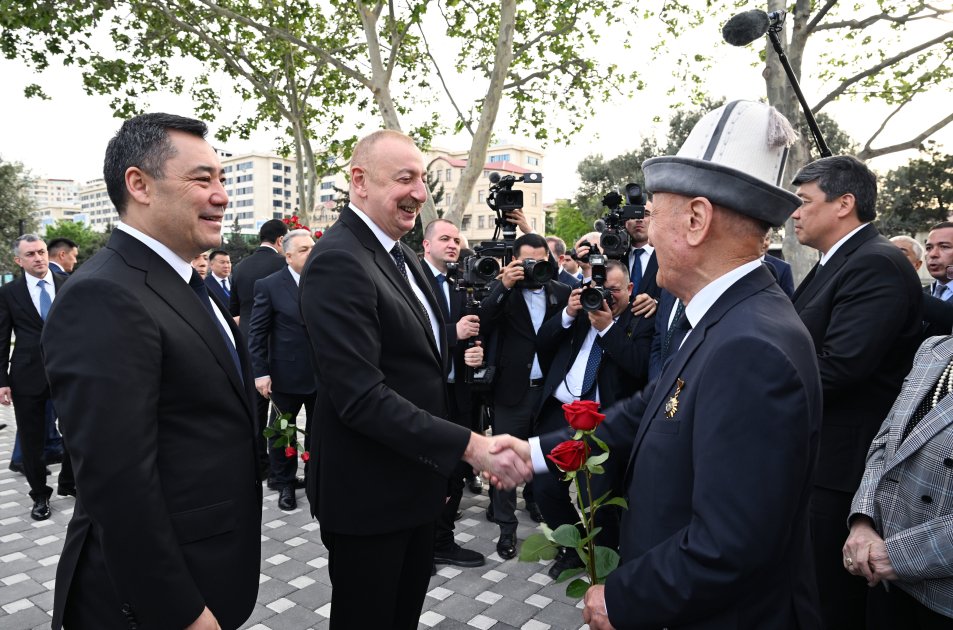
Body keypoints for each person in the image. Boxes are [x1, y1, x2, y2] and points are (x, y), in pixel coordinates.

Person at [492, 100, 822, 628]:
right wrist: (535, 452)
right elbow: (650, 406)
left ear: (696, 219)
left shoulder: (752, 346)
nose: (643, 228)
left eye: (653, 211)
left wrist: (625, 597)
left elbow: (730, 543)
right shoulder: (726, 318)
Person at [298, 129, 531, 629]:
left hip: (415, 484)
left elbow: (417, 363)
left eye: (423, 179)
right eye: (405, 178)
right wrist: (470, 447)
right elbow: (361, 397)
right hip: (369, 496)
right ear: (359, 181)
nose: (420, 193)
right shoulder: (339, 260)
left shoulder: (400, 254)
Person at [41, 113, 261, 630]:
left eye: (222, 179)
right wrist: (183, 614)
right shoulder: (105, 294)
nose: (222, 195)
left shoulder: (182, 279)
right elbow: (117, 485)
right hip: (149, 605)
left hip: (207, 571)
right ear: (138, 184)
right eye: (202, 179)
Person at [791, 154, 923, 629]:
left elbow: (840, 368)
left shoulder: (876, 263)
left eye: (805, 201)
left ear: (844, 203)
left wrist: (757, 389)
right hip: (818, 454)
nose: (795, 212)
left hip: (842, 468)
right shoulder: (838, 260)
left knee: (831, 603)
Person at [533, 258, 655, 579]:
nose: (605, 297)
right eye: (598, 290)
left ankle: (605, 561)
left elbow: (638, 366)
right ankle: (574, 549)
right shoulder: (580, 312)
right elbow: (542, 342)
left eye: (613, 291)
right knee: (544, 488)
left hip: (604, 422)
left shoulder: (642, 318)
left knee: (597, 500)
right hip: (560, 414)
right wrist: (569, 313)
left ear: (630, 289)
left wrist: (608, 328)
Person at [844, 334, 953, 628]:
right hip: (887, 581)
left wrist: (897, 556)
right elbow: (885, 443)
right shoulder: (936, 348)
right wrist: (863, 523)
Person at [479, 232, 571, 558]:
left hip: (548, 395)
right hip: (511, 393)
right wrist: (503, 285)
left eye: (540, 261)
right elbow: (483, 322)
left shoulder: (562, 292)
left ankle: (536, 504)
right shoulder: (503, 291)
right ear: (515, 261)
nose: (534, 267)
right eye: (527, 261)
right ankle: (506, 527)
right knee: (504, 462)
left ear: (550, 259)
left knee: (543, 458)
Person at [420, 218, 486, 569]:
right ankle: (419, 546)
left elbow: (474, 334)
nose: (453, 245)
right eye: (444, 238)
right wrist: (451, 333)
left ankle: (442, 541)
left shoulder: (464, 284)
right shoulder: (409, 283)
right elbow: (406, 337)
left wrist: (475, 353)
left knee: (457, 468)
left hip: (459, 392)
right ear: (426, 245)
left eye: (457, 240)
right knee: (423, 471)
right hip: (423, 396)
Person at [0, 235, 74, 520]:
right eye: (30, 254)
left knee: (75, 432)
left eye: (41, 252)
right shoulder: (9, 293)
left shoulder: (67, 285)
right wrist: (2, 380)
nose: (38, 257)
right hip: (27, 375)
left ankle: (69, 482)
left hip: (67, 372)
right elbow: (2, 337)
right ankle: (40, 495)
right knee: (32, 440)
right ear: (19, 261)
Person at [247, 229, 316, 512]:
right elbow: (257, 333)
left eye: (313, 247)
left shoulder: (323, 282)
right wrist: (260, 373)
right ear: (287, 256)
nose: (311, 253)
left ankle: (314, 479)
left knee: (318, 431)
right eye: (303, 249)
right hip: (284, 376)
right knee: (282, 433)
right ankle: (284, 482)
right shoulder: (269, 285)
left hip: (322, 375)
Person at [229, 218, 289, 480]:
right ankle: (280, 470)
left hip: (248, 346)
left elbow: (234, 310)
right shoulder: (282, 264)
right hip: (278, 345)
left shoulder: (240, 267)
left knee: (255, 409)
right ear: (280, 241)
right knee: (281, 411)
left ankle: (258, 466)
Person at [761, 231, 795, 297]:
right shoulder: (739, 264)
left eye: (767, 239)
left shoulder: (783, 268)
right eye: (760, 239)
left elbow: (789, 300)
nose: (764, 243)